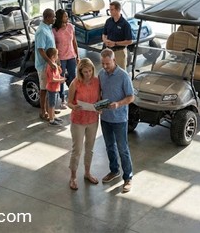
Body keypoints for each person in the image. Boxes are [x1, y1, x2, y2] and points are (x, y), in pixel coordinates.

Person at [98, 48, 135, 193]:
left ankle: (128, 177)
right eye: (103, 63)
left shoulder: (123, 76)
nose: (105, 67)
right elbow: (100, 94)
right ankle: (114, 171)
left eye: (107, 63)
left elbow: (131, 97)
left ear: (114, 60)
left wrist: (118, 104)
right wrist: (99, 105)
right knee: (109, 146)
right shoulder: (101, 74)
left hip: (119, 119)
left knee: (123, 149)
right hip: (105, 118)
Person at [67, 58, 101, 190]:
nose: (88, 74)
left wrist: (100, 107)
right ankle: (73, 177)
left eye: (90, 71)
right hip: (78, 120)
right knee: (77, 150)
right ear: (80, 72)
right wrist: (73, 107)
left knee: (90, 149)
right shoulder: (75, 83)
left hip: (93, 119)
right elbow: (69, 102)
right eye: (85, 72)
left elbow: (99, 99)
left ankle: (87, 173)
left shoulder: (97, 82)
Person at [35, 8, 59, 121]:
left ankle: (51, 109)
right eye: (53, 17)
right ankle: (43, 111)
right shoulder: (41, 31)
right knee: (44, 89)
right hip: (43, 65)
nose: (55, 18)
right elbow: (40, 50)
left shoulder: (48, 28)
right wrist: (50, 62)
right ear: (47, 17)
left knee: (51, 88)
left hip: (51, 64)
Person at [53, 9, 79, 109]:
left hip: (71, 56)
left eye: (67, 16)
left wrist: (77, 56)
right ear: (60, 18)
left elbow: (74, 42)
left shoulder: (71, 27)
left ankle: (73, 97)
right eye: (65, 16)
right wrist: (56, 59)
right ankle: (62, 99)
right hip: (61, 58)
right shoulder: (54, 30)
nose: (67, 18)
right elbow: (54, 45)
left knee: (73, 77)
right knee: (61, 78)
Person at [102, 1, 133, 70]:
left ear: (118, 10)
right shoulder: (108, 21)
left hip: (119, 52)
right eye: (109, 9)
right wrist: (105, 41)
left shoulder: (125, 24)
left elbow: (130, 41)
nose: (110, 11)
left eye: (112, 10)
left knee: (120, 72)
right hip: (108, 51)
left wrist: (115, 43)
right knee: (107, 71)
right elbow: (104, 34)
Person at [44, 48, 66, 126]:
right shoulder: (50, 66)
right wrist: (60, 80)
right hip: (52, 88)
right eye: (57, 55)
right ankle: (51, 119)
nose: (58, 56)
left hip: (55, 88)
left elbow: (56, 74)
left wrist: (59, 71)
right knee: (51, 104)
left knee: (54, 103)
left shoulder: (54, 64)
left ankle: (53, 116)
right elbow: (51, 79)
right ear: (53, 56)